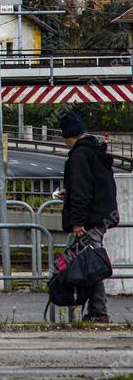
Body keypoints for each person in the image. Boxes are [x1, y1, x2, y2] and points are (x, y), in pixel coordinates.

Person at [59, 110, 119, 323]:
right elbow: (94, 185)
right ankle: (95, 310)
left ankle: (99, 311)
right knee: (90, 262)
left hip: (89, 220)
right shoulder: (94, 150)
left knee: (90, 265)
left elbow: (82, 190)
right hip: (102, 214)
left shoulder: (79, 154)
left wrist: (77, 221)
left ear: (67, 136)